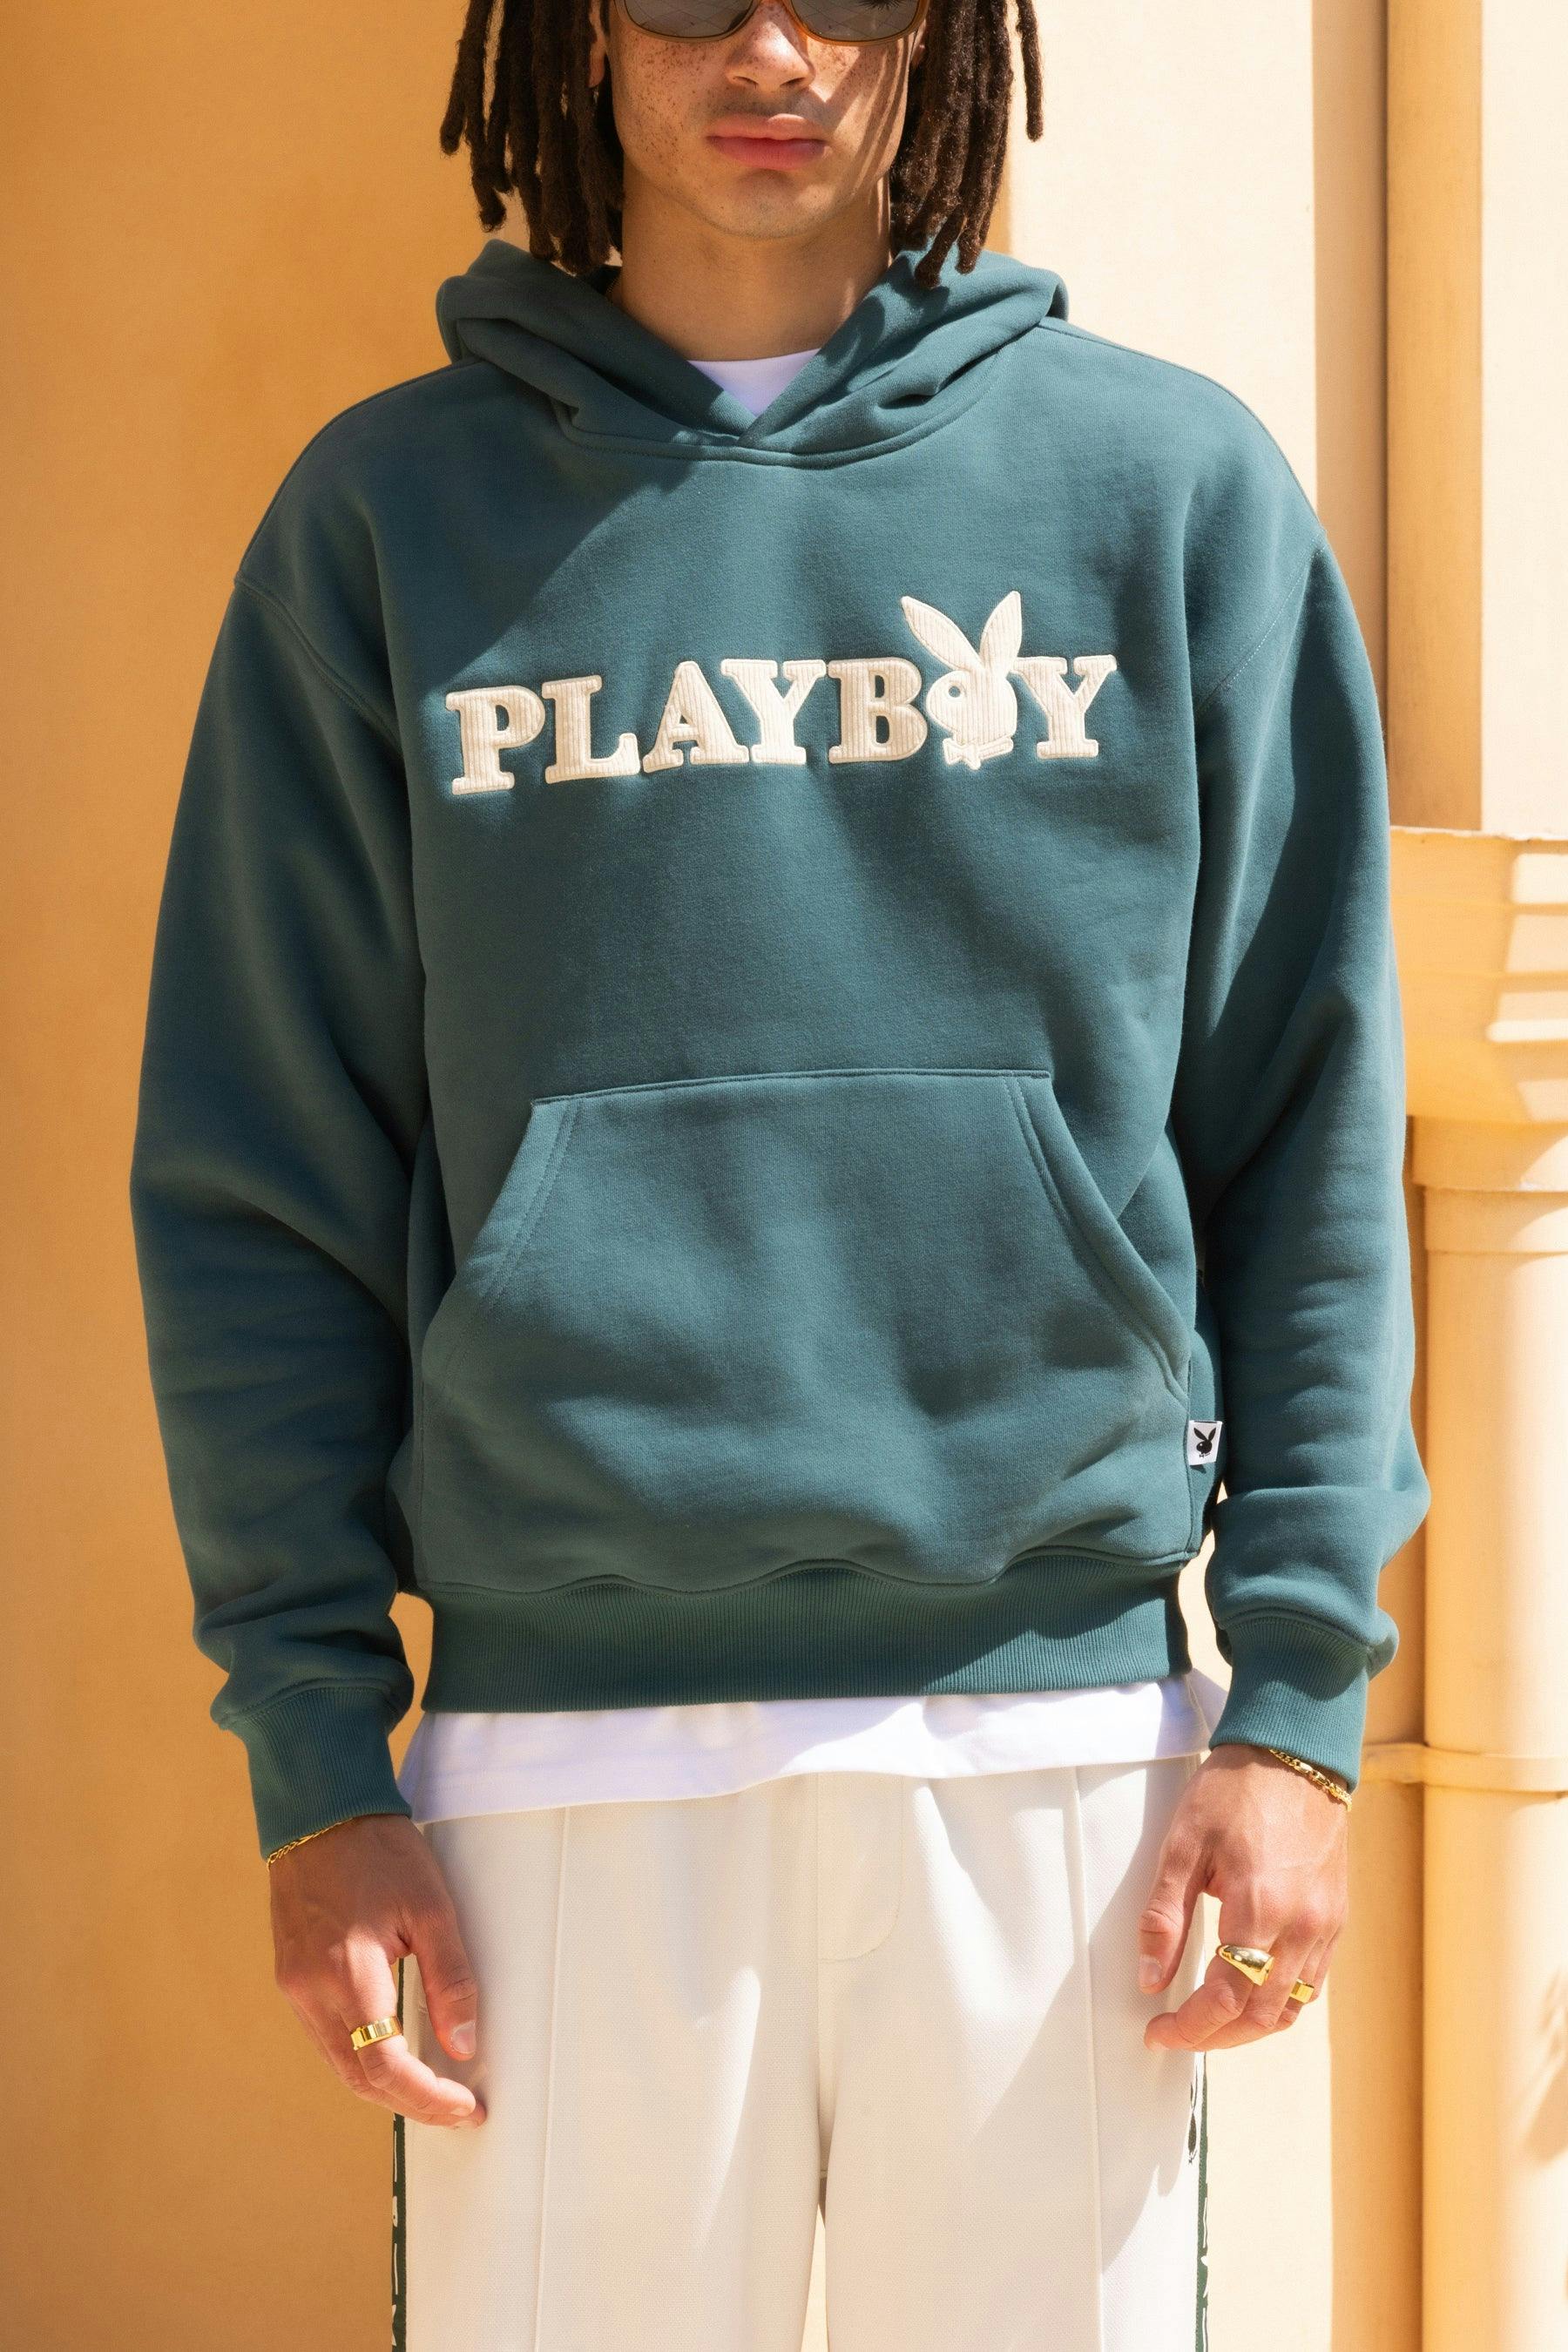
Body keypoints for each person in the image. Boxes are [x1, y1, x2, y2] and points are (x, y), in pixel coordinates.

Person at [127, 0, 1431, 2343]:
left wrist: (1297, 1711)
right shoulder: (391, 524)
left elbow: (1307, 1129)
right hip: (556, 1766)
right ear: (570, 27)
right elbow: (261, 1179)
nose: (768, 45)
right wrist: (315, 1762)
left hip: (1055, 1754)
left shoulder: (1165, 493)